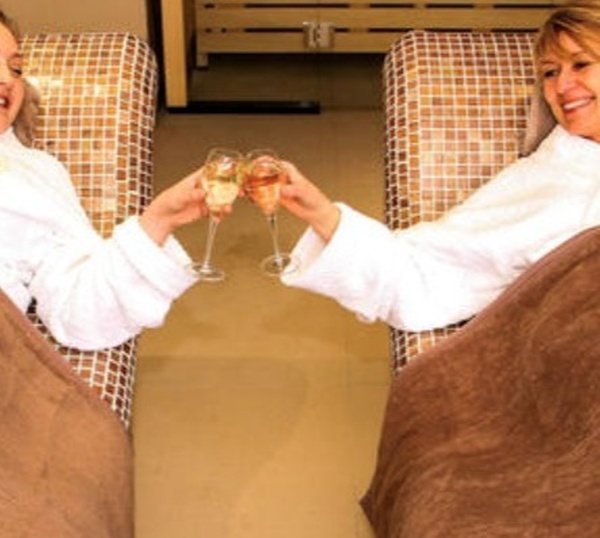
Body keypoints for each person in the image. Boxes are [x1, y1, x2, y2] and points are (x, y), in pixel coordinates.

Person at [279, 0, 600, 332]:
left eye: (581, 64)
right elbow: (424, 275)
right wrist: (322, 214)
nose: (561, 87)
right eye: (550, 72)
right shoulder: (549, 183)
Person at [0, 8, 211, 351]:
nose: (7, 79)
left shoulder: (35, 177)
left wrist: (158, 221)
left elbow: (81, 312)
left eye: (16, 68)